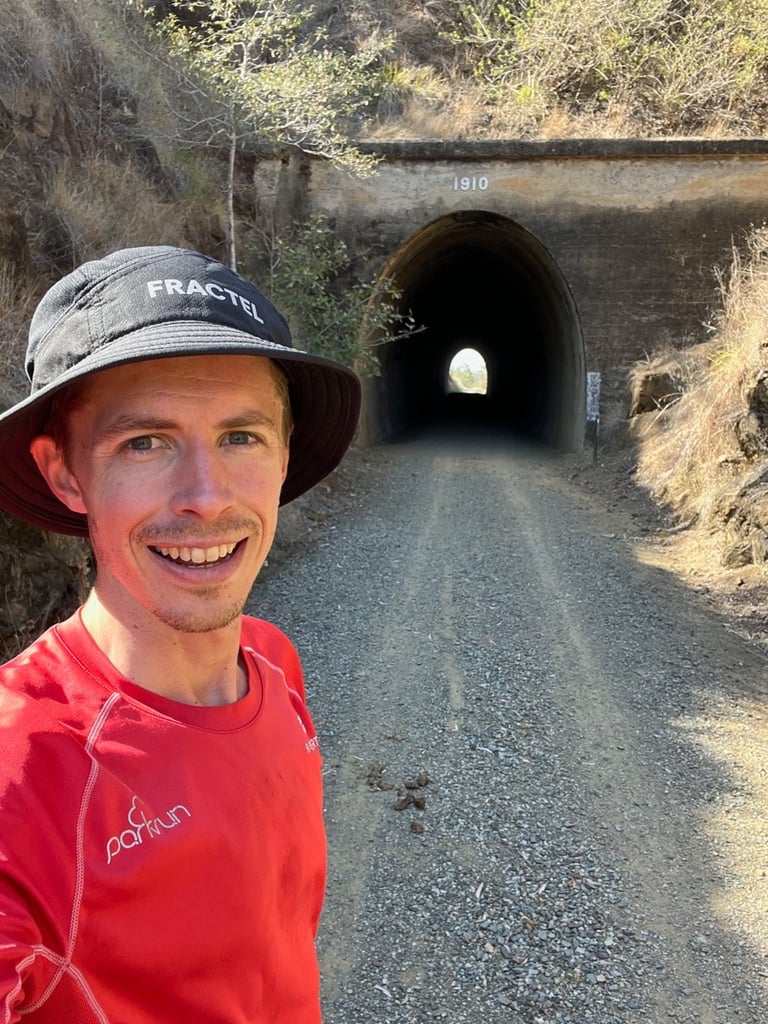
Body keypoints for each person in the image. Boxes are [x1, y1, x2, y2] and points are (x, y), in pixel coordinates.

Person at [0, 245, 361, 1023]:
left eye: (241, 436)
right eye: (146, 442)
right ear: (64, 472)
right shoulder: (24, 769)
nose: (207, 498)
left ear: (284, 451)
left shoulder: (270, 660)